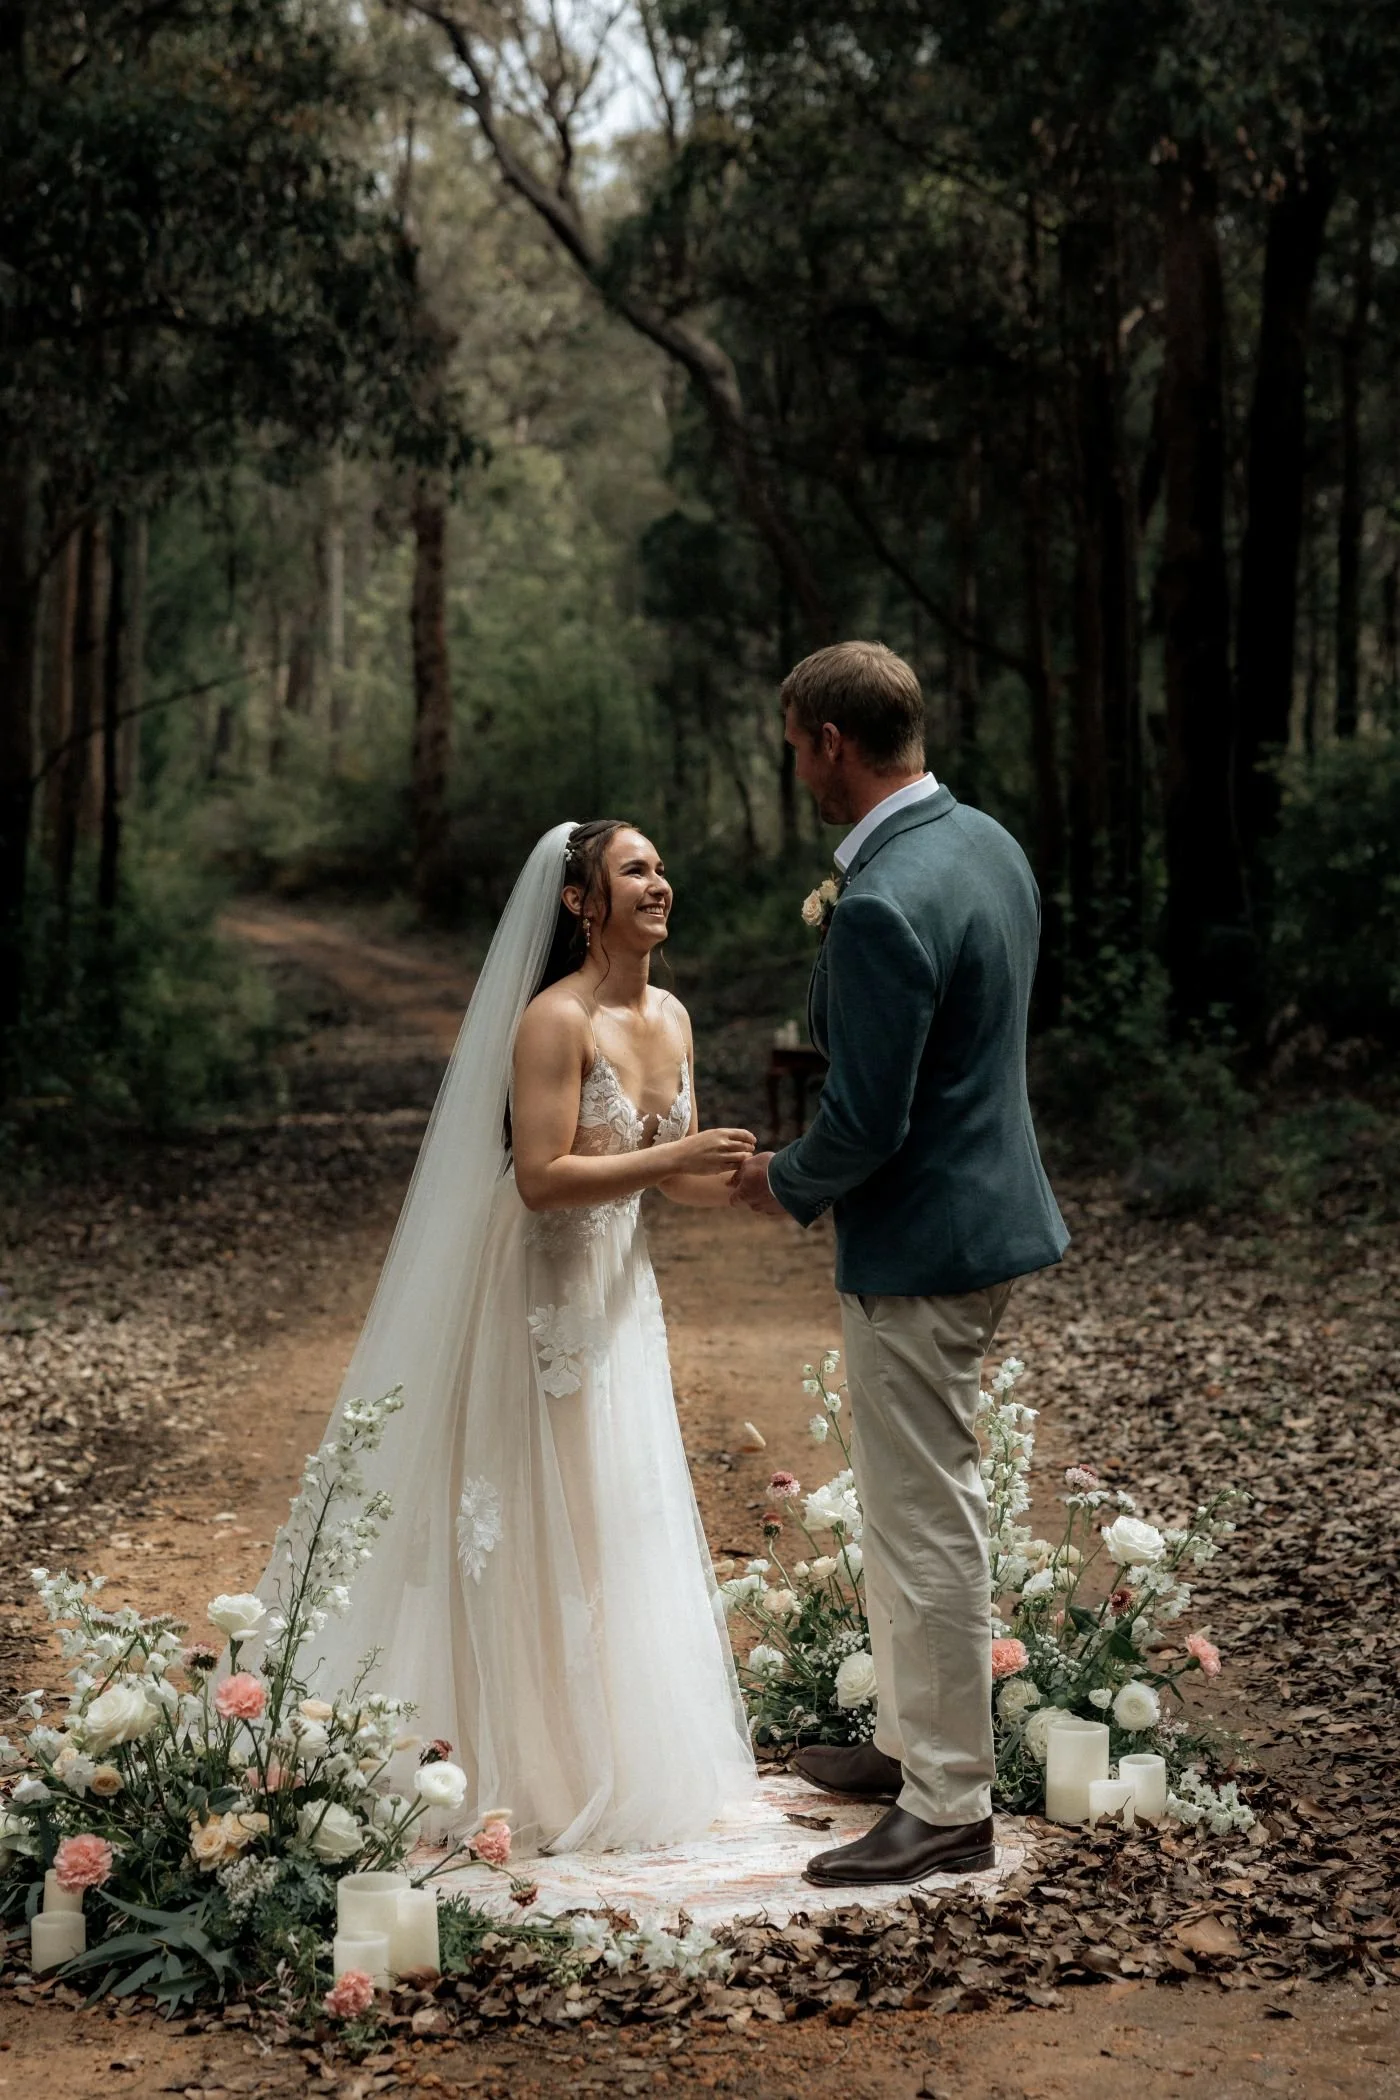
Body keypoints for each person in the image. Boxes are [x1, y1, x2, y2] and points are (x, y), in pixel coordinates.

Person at [260, 819, 757, 1855]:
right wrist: (674, 1163)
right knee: (542, 1511)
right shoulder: (551, 1021)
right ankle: (521, 1761)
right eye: (634, 870)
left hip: (618, 1292)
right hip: (535, 1287)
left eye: (662, 867)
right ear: (579, 903)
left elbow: (683, 1179)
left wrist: (761, 1180)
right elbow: (539, 1178)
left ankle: (604, 1747)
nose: (659, 883)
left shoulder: (671, 1015)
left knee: (612, 1512)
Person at [731, 641, 1068, 1887]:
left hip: (924, 1244)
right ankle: (909, 1741)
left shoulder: (876, 901)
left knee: (923, 1519)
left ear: (828, 742)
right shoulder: (986, 843)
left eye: (794, 747)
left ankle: (948, 1802)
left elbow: (865, 1122)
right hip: (988, 1219)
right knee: (905, 1504)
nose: (797, 769)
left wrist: (778, 1178)